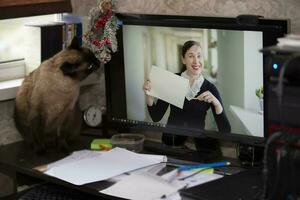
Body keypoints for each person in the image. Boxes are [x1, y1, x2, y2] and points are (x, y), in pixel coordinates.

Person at [143, 40, 231, 147]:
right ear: (183, 60)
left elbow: (225, 130)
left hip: (197, 145)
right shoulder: (172, 80)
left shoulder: (210, 88)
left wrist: (217, 103)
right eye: (191, 56)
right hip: (171, 142)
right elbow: (156, 116)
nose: (196, 61)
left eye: (199, 56)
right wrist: (149, 95)